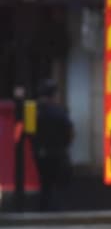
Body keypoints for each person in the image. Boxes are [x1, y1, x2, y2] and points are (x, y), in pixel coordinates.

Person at [32, 79, 73, 212]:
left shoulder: (35, 112)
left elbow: (28, 134)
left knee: (45, 184)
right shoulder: (60, 111)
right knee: (60, 184)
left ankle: (44, 209)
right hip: (58, 153)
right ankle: (58, 209)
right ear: (54, 95)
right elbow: (69, 132)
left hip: (41, 153)